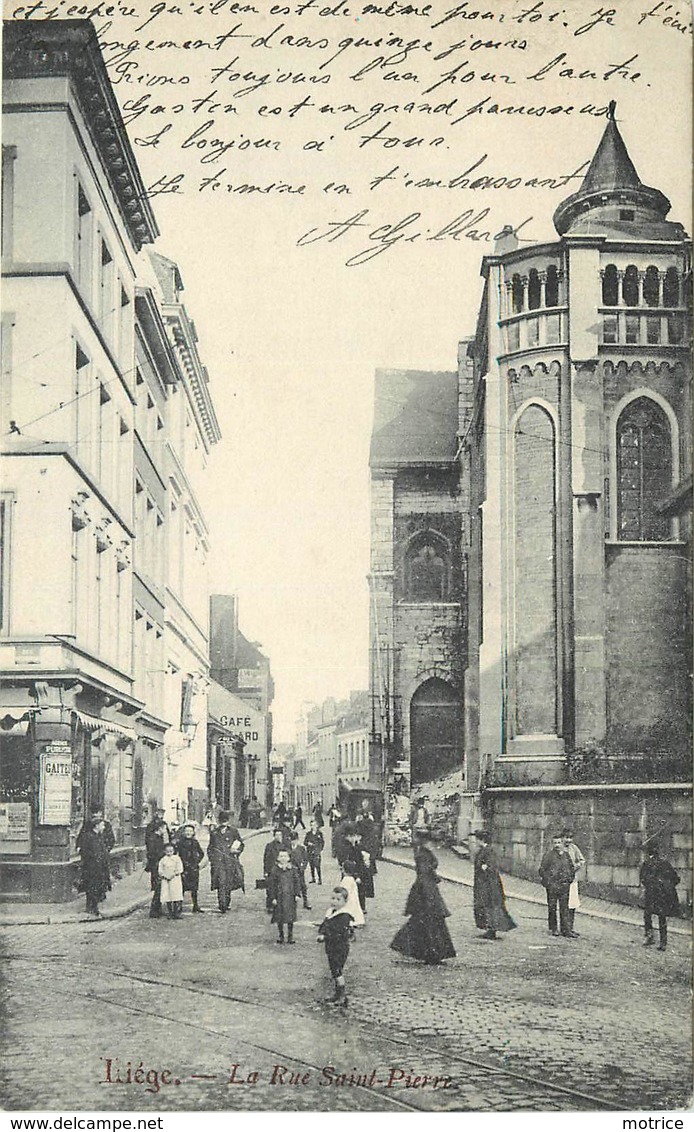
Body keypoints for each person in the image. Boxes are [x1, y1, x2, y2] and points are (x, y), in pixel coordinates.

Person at [390, 834, 456, 965]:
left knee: (424, 922)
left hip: (426, 890)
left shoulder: (424, 854)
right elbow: (424, 875)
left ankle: (430, 953)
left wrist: (434, 878)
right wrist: (429, 895)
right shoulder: (423, 855)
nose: (435, 845)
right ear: (426, 842)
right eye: (432, 842)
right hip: (425, 892)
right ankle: (431, 954)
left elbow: (428, 872)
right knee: (427, 922)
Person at [472, 831, 516, 940]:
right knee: (486, 906)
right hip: (484, 883)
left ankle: (492, 930)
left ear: (481, 839)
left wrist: (484, 867)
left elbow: (490, 867)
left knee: (490, 906)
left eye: (477, 839)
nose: (475, 841)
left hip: (489, 884)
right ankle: (489, 929)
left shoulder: (488, 851)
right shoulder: (484, 850)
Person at [640, 845, 680, 951]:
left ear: (649, 854)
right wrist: (667, 887)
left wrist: (650, 885)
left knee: (647, 914)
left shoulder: (647, 864)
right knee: (661, 917)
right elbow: (676, 879)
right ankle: (663, 942)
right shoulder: (665, 864)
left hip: (651, 894)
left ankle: (649, 936)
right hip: (662, 895)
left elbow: (643, 879)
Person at [317, 887, 353, 1006]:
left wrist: (325, 936)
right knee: (334, 970)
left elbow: (339, 933)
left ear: (344, 902)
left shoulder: (344, 916)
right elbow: (325, 924)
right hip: (331, 947)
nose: (334, 902)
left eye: (338, 899)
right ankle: (337, 994)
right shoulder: (331, 912)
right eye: (333, 898)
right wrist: (321, 932)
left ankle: (342, 996)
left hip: (340, 947)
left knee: (337, 971)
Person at [539, 834, 577, 938]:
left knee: (564, 908)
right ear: (552, 844)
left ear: (562, 843)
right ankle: (554, 928)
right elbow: (542, 870)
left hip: (564, 886)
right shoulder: (548, 856)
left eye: (559, 843)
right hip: (552, 886)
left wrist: (569, 880)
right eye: (555, 843)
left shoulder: (566, 855)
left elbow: (571, 869)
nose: (557, 845)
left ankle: (566, 930)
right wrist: (549, 882)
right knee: (552, 907)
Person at [207, 811, 244, 914]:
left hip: (230, 861)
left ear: (228, 821)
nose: (224, 823)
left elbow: (240, 844)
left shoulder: (233, 831)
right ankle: (222, 904)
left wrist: (236, 851)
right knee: (221, 882)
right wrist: (212, 859)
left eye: (226, 821)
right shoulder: (214, 833)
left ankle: (226, 902)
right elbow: (210, 847)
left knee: (228, 882)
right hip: (218, 862)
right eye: (222, 821)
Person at [78, 817, 111, 917]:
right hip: (91, 868)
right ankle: (91, 908)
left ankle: (94, 907)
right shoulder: (88, 837)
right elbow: (85, 852)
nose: (104, 827)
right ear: (96, 826)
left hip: (99, 867)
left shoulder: (99, 836)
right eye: (102, 825)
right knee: (91, 887)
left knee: (97, 887)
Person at [268, 848, 301, 944]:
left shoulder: (293, 869)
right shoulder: (275, 870)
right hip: (279, 897)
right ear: (278, 858)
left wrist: (297, 894)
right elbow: (272, 885)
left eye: (285, 856)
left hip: (290, 897)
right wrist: (273, 897)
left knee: (290, 917)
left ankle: (290, 937)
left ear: (289, 858)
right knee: (280, 917)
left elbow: (297, 882)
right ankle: (281, 936)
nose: (283, 858)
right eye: (281, 856)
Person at [342, 824, 374, 913]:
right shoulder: (348, 847)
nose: (353, 838)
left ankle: (361, 907)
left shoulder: (359, 847)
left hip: (359, 872)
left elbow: (362, 861)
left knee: (360, 890)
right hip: (351, 872)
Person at [562, 828, 586, 935]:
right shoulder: (560, 849)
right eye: (566, 837)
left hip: (572, 880)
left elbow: (582, 860)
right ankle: (564, 929)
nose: (568, 840)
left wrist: (575, 866)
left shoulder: (574, 848)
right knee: (564, 905)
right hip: (562, 881)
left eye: (570, 838)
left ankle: (570, 928)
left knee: (572, 904)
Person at [178, 823, 205, 913]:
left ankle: (195, 905)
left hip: (193, 868)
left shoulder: (195, 842)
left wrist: (197, 861)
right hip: (183, 868)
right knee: (182, 888)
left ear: (193, 832)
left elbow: (201, 853)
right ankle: (179, 906)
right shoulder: (180, 842)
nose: (188, 833)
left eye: (190, 831)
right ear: (183, 832)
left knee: (194, 888)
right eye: (186, 831)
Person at [145, 819, 170, 918]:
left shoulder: (158, 838)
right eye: (164, 828)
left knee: (160, 887)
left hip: (158, 864)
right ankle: (154, 910)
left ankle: (157, 909)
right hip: (156, 865)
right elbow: (152, 853)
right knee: (158, 888)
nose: (165, 830)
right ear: (160, 828)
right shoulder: (153, 838)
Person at [158, 841, 184, 919]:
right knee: (167, 895)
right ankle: (170, 912)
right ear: (164, 851)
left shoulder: (177, 858)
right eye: (167, 851)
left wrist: (174, 874)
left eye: (171, 851)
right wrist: (164, 875)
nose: (169, 853)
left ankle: (176, 913)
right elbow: (160, 869)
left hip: (175, 879)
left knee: (176, 895)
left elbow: (180, 868)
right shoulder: (163, 860)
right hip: (166, 880)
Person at [263, 828, 285, 912]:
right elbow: (266, 859)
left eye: (280, 835)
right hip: (271, 870)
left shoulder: (284, 845)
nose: (278, 837)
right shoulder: (269, 846)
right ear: (274, 836)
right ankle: (270, 905)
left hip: (281, 869)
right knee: (270, 888)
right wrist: (265, 871)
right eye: (277, 835)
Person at [289, 831, 311, 910]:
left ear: (297, 840)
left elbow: (305, 859)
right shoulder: (287, 848)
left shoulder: (301, 848)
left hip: (299, 871)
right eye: (292, 840)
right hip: (290, 870)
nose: (293, 841)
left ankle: (305, 901)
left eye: (295, 839)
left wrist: (302, 868)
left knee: (303, 886)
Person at [340, 859, 365, 927]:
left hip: (349, 900)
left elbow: (344, 892)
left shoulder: (346, 880)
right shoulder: (351, 879)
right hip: (353, 899)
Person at [305, 819, 324, 885]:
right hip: (310, 851)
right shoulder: (308, 834)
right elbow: (305, 842)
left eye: (314, 825)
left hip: (316, 852)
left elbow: (322, 842)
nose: (313, 826)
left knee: (317, 865)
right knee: (311, 865)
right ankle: (313, 878)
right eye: (311, 825)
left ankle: (319, 879)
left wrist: (319, 849)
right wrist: (308, 843)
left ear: (317, 826)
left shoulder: (319, 833)